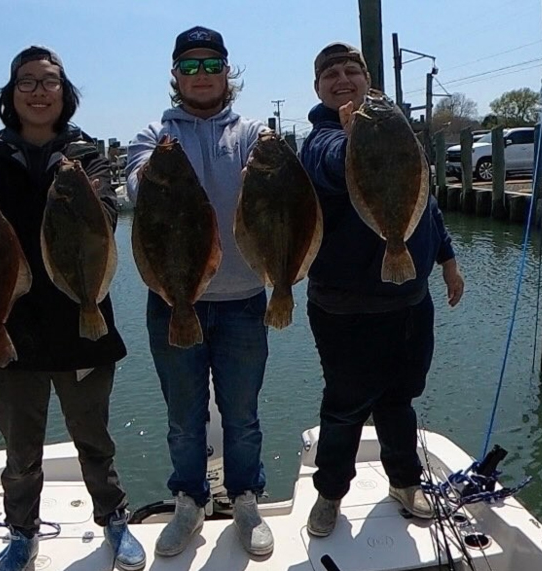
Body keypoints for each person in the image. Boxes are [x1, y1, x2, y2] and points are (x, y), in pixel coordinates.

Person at [0, 46, 145, 571]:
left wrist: (74, 180)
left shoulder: (89, 156)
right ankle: (21, 533)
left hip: (83, 319)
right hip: (7, 326)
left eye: (50, 81)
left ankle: (115, 520)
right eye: (27, 82)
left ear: (65, 92)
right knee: (20, 451)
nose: (39, 91)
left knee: (94, 438)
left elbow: (102, 216)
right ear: (11, 96)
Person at [298, 42, 465, 538]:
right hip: (345, 308)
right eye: (331, 73)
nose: (342, 78)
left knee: (399, 400)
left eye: (352, 69)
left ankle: (405, 482)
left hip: (412, 303)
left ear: (368, 79)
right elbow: (329, 164)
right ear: (318, 87)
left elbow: (424, 202)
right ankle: (330, 495)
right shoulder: (319, 140)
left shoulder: (395, 128)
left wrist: (449, 261)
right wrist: (352, 137)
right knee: (344, 406)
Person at [125, 26, 274, 558]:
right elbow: (139, 186)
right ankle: (188, 501)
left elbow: (279, 195)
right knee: (183, 418)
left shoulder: (253, 134)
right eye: (189, 67)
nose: (201, 75)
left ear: (226, 72)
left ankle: (245, 498)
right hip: (172, 299)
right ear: (174, 77)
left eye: (210, 64)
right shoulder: (152, 134)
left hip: (242, 299)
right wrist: (157, 163)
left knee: (242, 413)